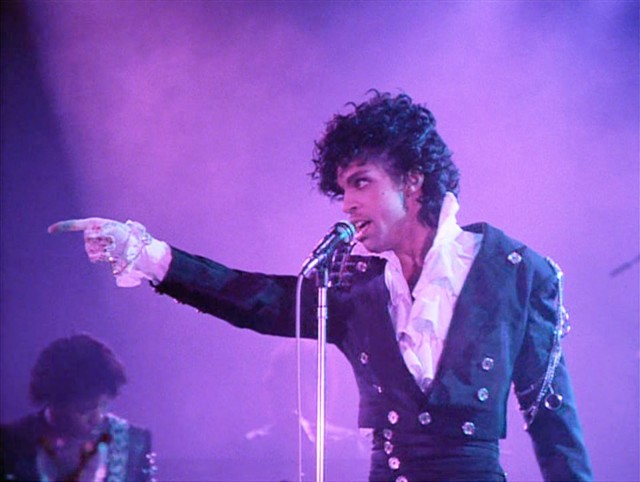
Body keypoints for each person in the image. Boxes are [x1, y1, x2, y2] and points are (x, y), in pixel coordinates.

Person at [48, 92, 592, 481]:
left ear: (412, 180)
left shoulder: (516, 273)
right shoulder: (353, 286)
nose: (347, 204)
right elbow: (255, 299)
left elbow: (553, 424)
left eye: (361, 183)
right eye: (342, 189)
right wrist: (148, 254)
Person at [1, 334, 157, 481]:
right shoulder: (11, 442)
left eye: (104, 406)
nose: (97, 418)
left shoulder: (134, 442)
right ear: (55, 400)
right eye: (84, 410)